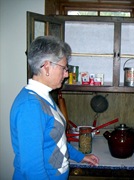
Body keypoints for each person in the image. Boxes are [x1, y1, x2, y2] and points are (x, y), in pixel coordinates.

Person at [10, 36, 99, 180]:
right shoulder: (30, 106)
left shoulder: (44, 97)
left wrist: (79, 157)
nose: (66, 74)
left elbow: (57, 139)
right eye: (63, 68)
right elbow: (32, 168)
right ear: (46, 67)